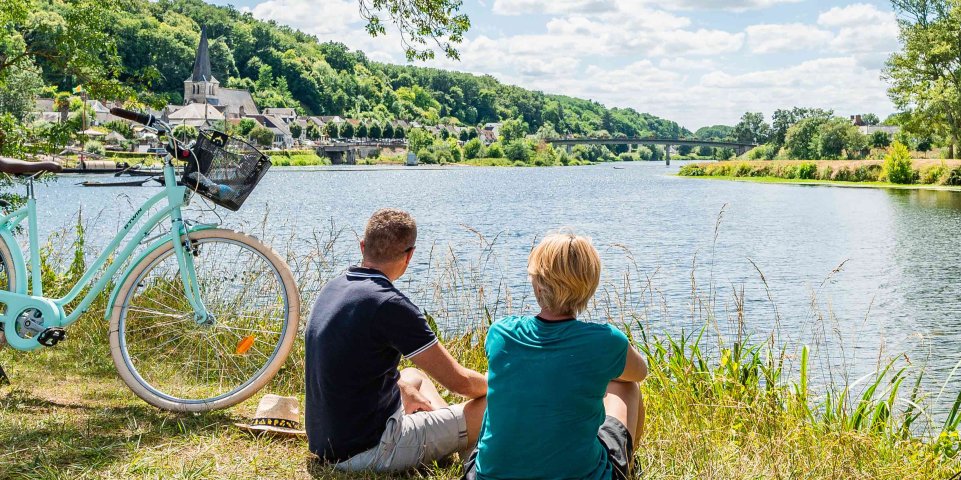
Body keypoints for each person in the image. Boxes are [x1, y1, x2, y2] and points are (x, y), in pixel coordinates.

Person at [305, 208, 488, 472]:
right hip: (370, 449)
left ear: (362, 246)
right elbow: (460, 383)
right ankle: (459, 442)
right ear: (409, 256)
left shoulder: (334, 287)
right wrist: (499, 383)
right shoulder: (390, 304)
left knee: (414, 375)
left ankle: (451, 436)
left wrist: (405, 389)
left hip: (325, 442)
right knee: (492, 402)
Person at [464, 232, 648, 480]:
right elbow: (641, 372)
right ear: (590, 285)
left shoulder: (500, 332)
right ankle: (629, 467)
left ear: (537, 283)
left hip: (489, 476)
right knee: (627, 386)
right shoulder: (606, 341)